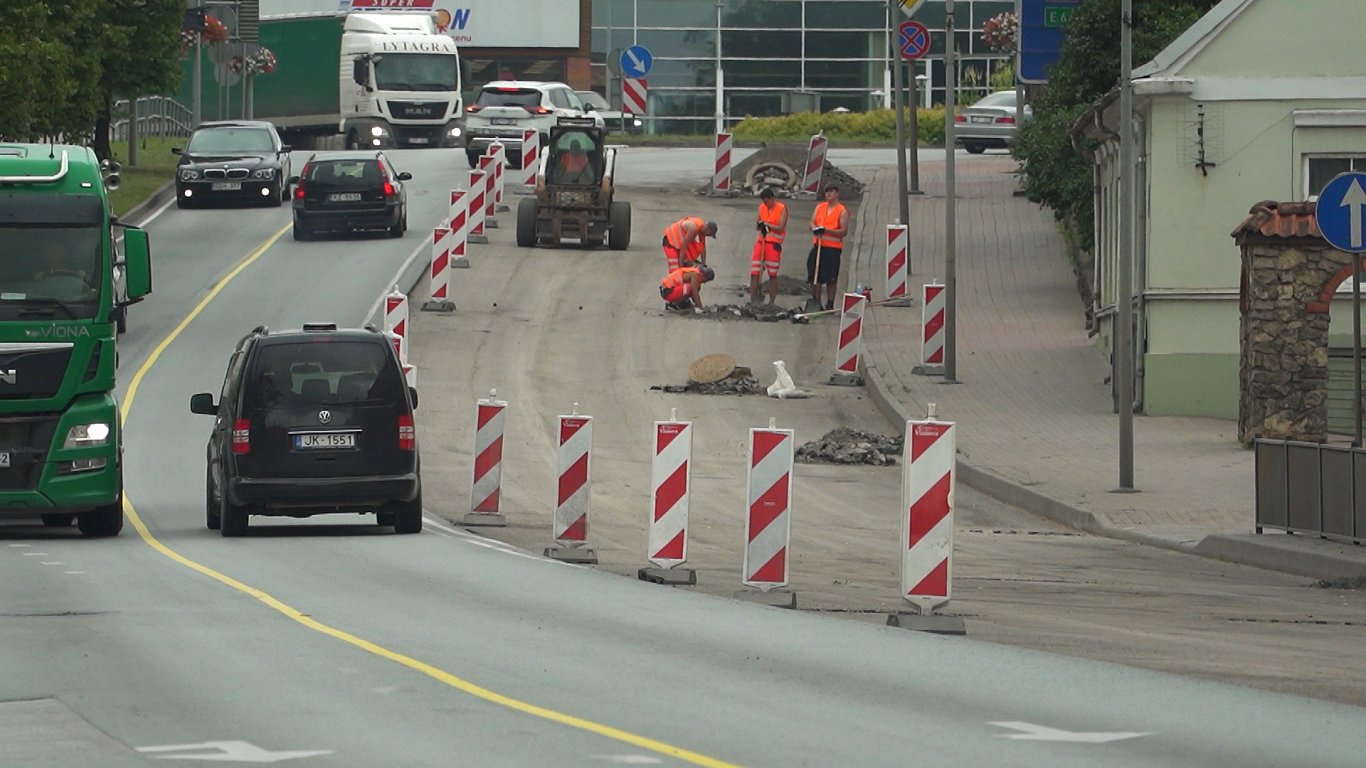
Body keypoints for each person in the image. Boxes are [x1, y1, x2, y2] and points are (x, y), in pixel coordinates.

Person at [807, 183, 850, 310]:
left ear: (837, 193)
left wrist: (827, 231)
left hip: (833, 249)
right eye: (826, 192)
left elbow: (844, 231)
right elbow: (812, 222)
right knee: (814, 274)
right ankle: (817, 301)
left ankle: (830, 303)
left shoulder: (842, 211)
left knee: (831, 277)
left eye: (831, 191)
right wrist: (815, 228)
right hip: (818, 245)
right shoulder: (820, 207)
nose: (828, 194)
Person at [748, 187, 788, 305]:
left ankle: (771, 302)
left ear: (772, 198)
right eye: (763, 201)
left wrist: (767, 225)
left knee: (772, 274)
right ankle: (753, 300)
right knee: (755, 272)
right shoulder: (762, 208)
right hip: (761, 243)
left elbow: (781, 227)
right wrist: (761, 225)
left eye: (767, 201)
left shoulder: (781, 208)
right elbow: (758, 225)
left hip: (773, 245)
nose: (765, 203)